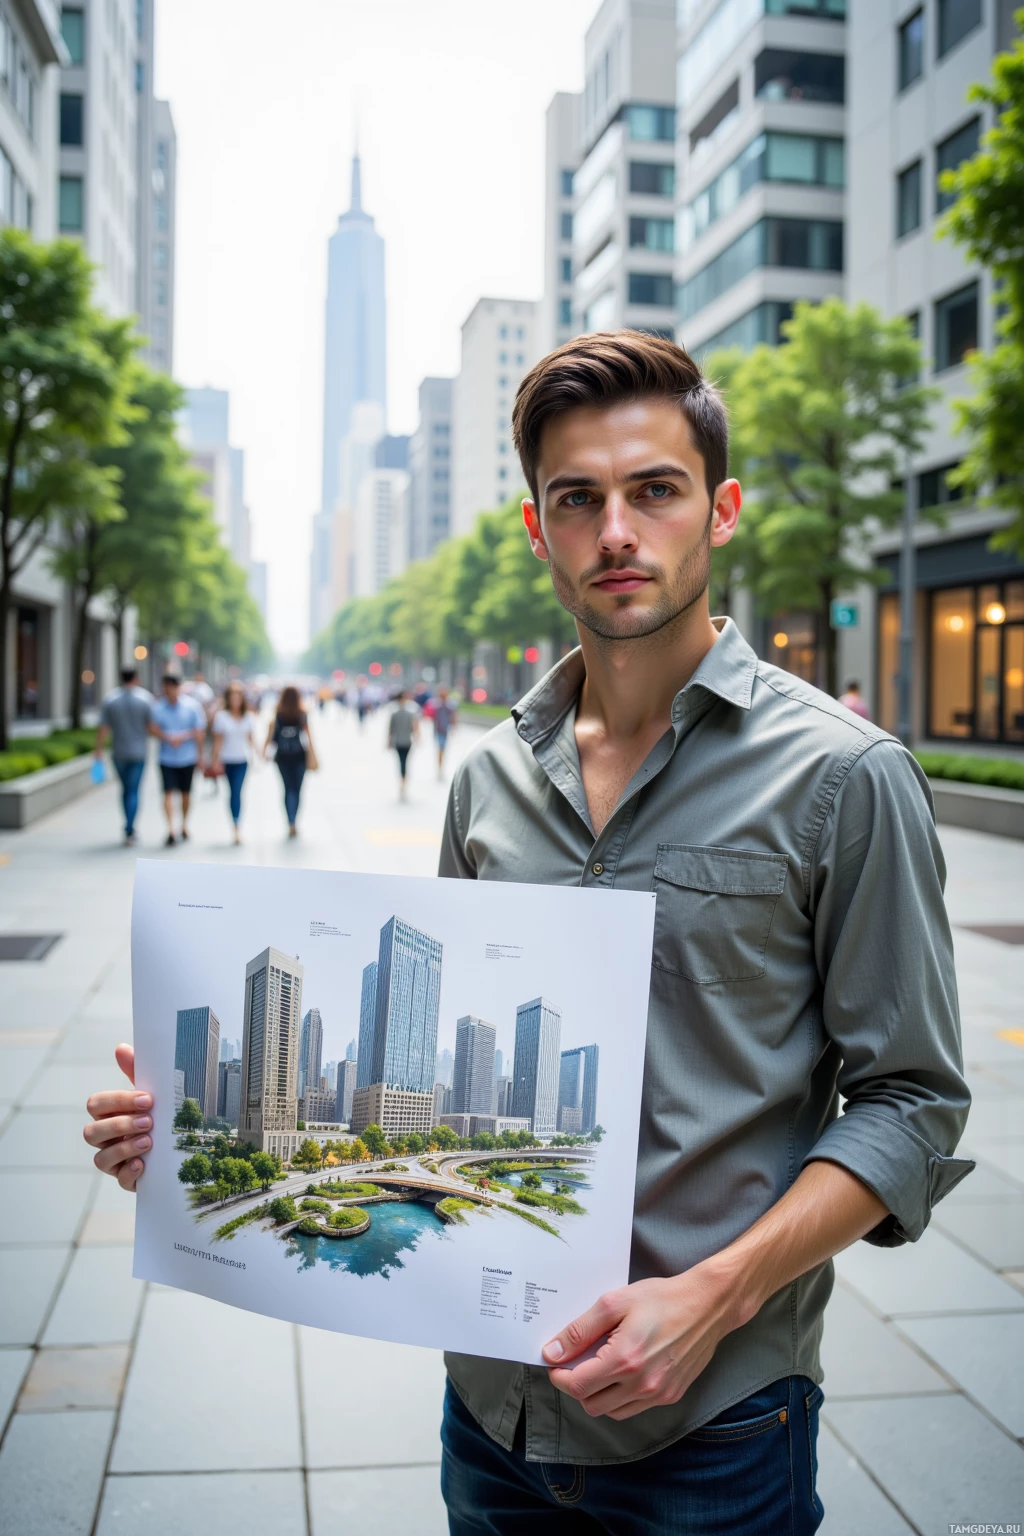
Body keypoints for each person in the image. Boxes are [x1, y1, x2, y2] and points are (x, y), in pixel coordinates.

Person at [81, 332, 972, 1534]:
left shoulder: (845, 777)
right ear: (536, 528)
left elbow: (911, 1103)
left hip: (714, 1430)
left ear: (720, 510)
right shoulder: (487, 779)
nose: (616, 529)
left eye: (653, 490)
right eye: (578, 499)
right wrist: (199, 1137)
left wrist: (712, 1295)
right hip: (490, 1420)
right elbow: (441, 1073)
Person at [94, 667, 153, 845]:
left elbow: (103, 729)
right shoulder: (145, 699)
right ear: (136, 678)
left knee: (126, 789)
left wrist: (98, 750)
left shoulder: (111, 699)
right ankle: (130, 828)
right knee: (133, 791)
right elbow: (151, 726)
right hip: (138, 753)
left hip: (118, 752)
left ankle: (128, 826)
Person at [149, 674, 205, 846]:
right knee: (167, 793)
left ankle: (184, 824)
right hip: (166, 758)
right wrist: (166, 737)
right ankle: (170, 829)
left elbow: (199, 731)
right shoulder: (158, 708)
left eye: (170, 687)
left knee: (186, 794)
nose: (168, 691)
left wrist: (198, 753)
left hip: (187, 757)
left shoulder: (192, 706)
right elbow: (152, 728)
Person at [265, 684, 314, 837]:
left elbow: (273, 735)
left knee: (287, 789)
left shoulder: (278, 713)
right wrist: (313, 754)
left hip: (282, 756)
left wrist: (264, 751)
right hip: (299, 756)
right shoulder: (302, 713)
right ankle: (294, 819)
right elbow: (309, 736)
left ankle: (290, 820)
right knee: (297, 790)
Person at [211, 682, 256, 844]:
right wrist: (215, 761)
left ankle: (237, 826)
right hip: (226, 759)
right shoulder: (222, 717)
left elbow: (251, 738)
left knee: (237, 791)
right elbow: (218, 741)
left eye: (238, 697)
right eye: (232, 698)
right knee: (231, 792)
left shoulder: (248, 716)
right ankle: (234, 821)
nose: (235, 701)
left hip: (242, 759)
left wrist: (257, 755)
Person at [387, 689, 419, 799]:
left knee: (401, 762)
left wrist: (389, 741)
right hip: (406, 741)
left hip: (400, 742)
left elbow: (390, 730)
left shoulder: (395, 713)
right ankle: (404, 782)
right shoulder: (410, 713)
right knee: (404, 762)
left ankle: (402, 782)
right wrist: (417, 737)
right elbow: (415, 727)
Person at [431, 685, 458, 779]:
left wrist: (454, 727)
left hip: (445, 730)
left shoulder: (450, 704)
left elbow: (453, 716)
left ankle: (441, 767)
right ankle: (440, 768)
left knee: (443, 749)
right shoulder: (435, 704)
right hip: (437, 730)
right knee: (440, 748)